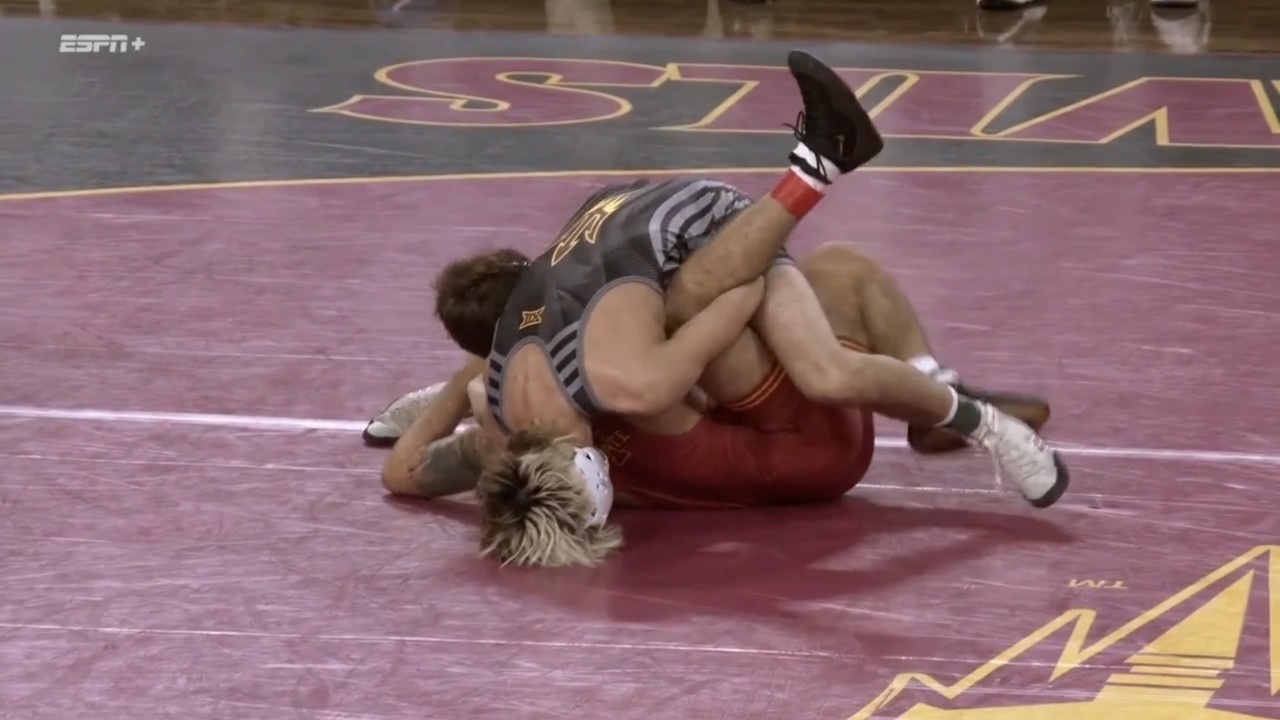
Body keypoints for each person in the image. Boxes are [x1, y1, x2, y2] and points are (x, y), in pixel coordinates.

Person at [424, 50, 1068, 528]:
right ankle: (954, 399)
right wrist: (431, 402)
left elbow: (415, 463)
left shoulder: (562, 392)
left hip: (699, 246)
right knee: (821, 315)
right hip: (661, 238)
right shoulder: (526, 389)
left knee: (811, 341)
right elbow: (429, 442)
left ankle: (963, 406)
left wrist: (441, 402)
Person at [369, 242, 1058, 567]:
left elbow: (401, 474)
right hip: (804, 445)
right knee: (815, 275)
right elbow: (715, 319)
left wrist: (464, 392)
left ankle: (929, 388)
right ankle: (938, 393)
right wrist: (752, 260)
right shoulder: (616, 375)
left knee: (805, 290)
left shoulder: (504, 445)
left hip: (787, 460)